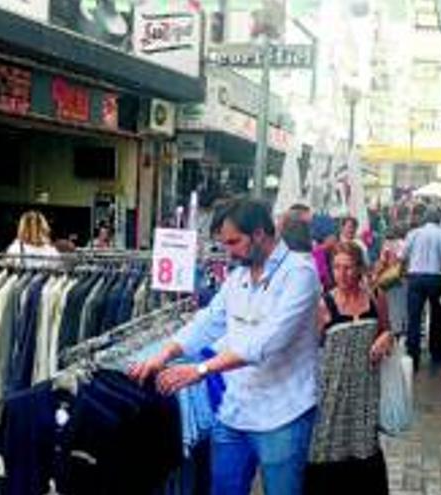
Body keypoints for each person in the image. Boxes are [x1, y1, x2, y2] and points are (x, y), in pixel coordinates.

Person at [129, 198, 321, 495]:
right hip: (235, 409)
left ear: (259, 233)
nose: (229, 252)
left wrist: (201, 369)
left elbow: (266, 342)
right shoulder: (239, 276)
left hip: (283, 414)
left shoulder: (300, 274)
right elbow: (208, 321)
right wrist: (164, 353)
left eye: (234, 242)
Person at [305, 241, 393, 495]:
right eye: (336, 267)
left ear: (360, 269)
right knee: (327, 449)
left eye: (348, 267)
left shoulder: (376, 298)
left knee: (364, 448)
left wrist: (386, 338)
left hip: (365, 391)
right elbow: (309, 350)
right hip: (332, 394)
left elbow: (387, 330)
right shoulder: (323, 305)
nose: (341, 274)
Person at [401, 203, 441, 370]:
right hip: (436, 278)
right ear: (438, 218)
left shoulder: (413, 233)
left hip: (415, 277)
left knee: (414, 318)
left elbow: (402, 255)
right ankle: (436, 352)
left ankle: (413, 356)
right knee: (437, 316)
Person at [311, 214, 338, 290]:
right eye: (333, 235)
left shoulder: (330, 252)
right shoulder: (318, 253)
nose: (335, 238)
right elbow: (325, 281)